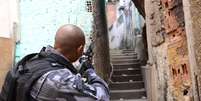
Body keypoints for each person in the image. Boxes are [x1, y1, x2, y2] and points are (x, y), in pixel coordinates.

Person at [1, 24, 110, 101]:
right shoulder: (60, 79)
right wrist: (90, 72)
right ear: (80, 49)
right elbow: (102, 97)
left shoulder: (30, 61)